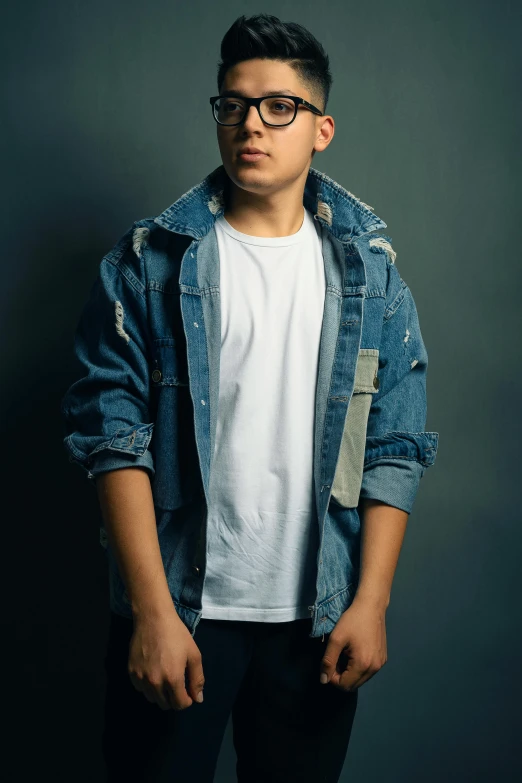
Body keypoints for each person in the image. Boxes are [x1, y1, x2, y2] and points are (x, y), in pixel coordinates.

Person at [61, 12, 439, 783]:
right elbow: (112, 435)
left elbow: (395, 444)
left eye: (277, 106)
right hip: (181, 612)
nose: (249, 125)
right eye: (232, 104)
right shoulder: (148, 262)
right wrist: (153, 613)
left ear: (321, 128)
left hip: (316, 620)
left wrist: (371, 602)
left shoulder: (373, 275)